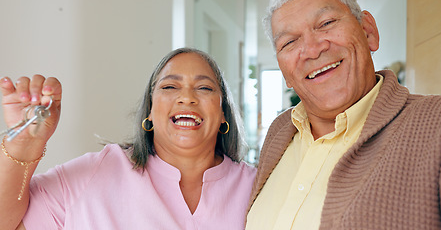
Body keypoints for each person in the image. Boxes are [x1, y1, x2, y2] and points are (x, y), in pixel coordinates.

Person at [246, 0, 441, 229]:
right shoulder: (279, 133)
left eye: (326, 23)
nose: (313, 50)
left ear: (368, 32)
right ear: (284, 71)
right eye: (289, 42)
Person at [0, 47, 256, 230]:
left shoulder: (258, 187)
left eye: (204, 88)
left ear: (224, 114)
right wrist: (25, 144)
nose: (186, 97)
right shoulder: (95, 174)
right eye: (169, 86)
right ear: (150, 112)